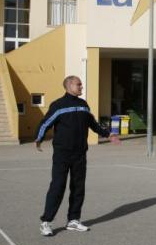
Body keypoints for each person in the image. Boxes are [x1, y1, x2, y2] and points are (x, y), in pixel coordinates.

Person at [35, 75, 119, 236]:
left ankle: (73, 220)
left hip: (80, 153)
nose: (81, 87)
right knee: (58, 186)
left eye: (81, 84)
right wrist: (39, 138)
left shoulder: (83, 105)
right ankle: (46, 222)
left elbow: (92, 124)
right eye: (78, 85)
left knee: (78, 187)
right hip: (62, 153)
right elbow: (46, 122)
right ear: (69, 86)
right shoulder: (58, 105)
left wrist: (108, 134)